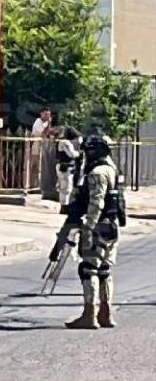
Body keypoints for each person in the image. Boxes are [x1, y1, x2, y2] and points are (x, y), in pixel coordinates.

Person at [65, 134, 123, 329]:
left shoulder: (97, 173)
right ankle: (105, 314)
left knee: (88, 269)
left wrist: (88, 227)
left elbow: (96, 203)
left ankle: (89, 315)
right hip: (112, 227)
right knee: (105, 270)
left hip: (98, 227)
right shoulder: (112, 170)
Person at [56, 126, 81, 213]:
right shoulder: (65, 142)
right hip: (65, 167)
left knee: (65, 187)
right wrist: (79, 153)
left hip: (64, 166)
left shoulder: (64, 142)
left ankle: (65, 206)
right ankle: (64, 207)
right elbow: (72, 154)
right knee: (66, 187)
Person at [29, 107, 52, 187]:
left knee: (42, 167)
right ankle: (32, 185)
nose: (47, 116)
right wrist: (49, 124)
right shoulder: (38, 122)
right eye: (45, 114)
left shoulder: (47, 123)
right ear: (41, 114)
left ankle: (40, 185)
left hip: (45, 147)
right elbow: (43, 134)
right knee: (34, 166)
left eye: (48, 115)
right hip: (36, 146)